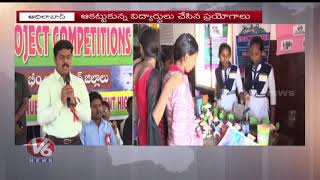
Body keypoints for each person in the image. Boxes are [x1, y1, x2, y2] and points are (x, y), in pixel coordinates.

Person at [133, 27, 183, 146]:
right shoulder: (153, 74)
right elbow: (154, 119)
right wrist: (169, 87)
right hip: (151, 136)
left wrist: (140, 57)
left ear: (141, 47)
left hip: (142, 131)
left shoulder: (137, 68)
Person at [37, 40, 91, 145]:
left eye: (68, 57)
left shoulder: (79, 83)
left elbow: (87, 118)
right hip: (53, 143)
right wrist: (61, 101)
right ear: (55, 59)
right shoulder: (46, 84)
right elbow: (41, 119)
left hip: (76, 143)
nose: (65, 61)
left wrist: (75, 103)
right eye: (61, 57)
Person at [163, 33, 203, 146]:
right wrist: (196, 142)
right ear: (186, 57)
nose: (195, 63)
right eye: (194, 58)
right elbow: (179, 135)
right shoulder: (179, 83)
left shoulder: (170, 75)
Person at [244, 36, 277, 124]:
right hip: (250, 105)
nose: (253, 57)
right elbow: (245, 88)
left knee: (262, 132)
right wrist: (246, 94)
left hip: (262, 106)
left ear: (262, 52)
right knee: (250, 132)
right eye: (251, 53)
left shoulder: (268, 68)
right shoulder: (247, 68)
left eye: (256, 53)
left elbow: (273, 94)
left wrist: (272, 120)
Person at [214, 43, 245, 112]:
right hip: (221, 102)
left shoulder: (235, 69)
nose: (225, 58)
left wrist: (242, 98)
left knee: (232, 121)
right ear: (219, 55)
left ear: (230, 56)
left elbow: (240, 87)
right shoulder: (217, 71)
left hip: (232, 102)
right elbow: (216, 87)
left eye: (227, 56)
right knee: (221, 121)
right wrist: (216, 102)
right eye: (223, 55)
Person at [15, 72, 31, 145]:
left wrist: (14, 120)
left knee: (19, 154)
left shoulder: (20, 78)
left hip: (19, 126)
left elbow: (25, 102)